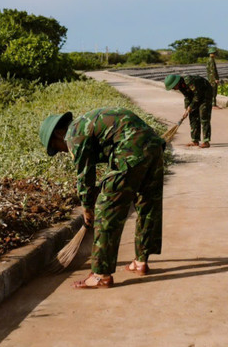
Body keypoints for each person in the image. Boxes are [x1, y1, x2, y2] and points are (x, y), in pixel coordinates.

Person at [39, 108, 165, 289]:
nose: (62, 152)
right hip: (154, 147)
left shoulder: (74, 134)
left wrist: (87, 206)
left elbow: (85, 174)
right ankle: (141, 261)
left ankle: (100, 275)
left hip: (130, 150)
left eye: (56, 147)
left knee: (107, 210)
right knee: (147, 204)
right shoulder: (85, 123)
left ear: (59, 133)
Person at [165, 74, 213, 148]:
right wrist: (186, 109)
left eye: (173, 87)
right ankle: (195, 140)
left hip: (205, 94)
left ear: (176, 83)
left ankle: (206, 141)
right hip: (196, 96)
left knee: (204, 115)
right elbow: (187, 96)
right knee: (193, 115)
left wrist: (190, 106)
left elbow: (197, 95)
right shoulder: (180, 86)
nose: (174, 89)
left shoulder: (189, 81)